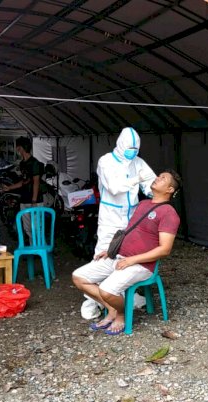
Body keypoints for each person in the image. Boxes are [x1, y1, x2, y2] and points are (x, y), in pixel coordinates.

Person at [72, 170, 181, 335]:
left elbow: (165, 249)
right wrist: (110, 251)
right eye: (158, 175)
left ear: (170, 189)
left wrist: (132, 260)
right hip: (119, 258)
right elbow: (130, 232)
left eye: (163, 178)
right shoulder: (143, 204)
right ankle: (112, 309)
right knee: (79, 277)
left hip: (141, 265)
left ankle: (121, 314)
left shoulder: (169, 213)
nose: (157, 178)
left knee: (106, 290)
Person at [81, 127, 156, 319]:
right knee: (102, 256)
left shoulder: (137, 162)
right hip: (110, 218)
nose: (133, 152)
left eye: (136, 149)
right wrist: (137, 179)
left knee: (128, 256)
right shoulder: (106, 161)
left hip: (131, 219)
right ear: (121, 145)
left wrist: (153, 190)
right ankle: (92, 300)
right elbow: (114, 187)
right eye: (130, 148)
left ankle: (125, 294)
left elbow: (150, 181)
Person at [0, 137, 45, 237]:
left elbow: (36, 182)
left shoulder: (34, 163)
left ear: (21, 148)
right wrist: (9, 188)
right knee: (28, 229)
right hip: (24, 200)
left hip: (35, 201)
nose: (16, 149)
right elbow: (23, 181)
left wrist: (34, 201)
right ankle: (33, 246)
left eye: (17, 147)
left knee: (37, 229)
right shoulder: (22, 163)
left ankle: (40, 246)